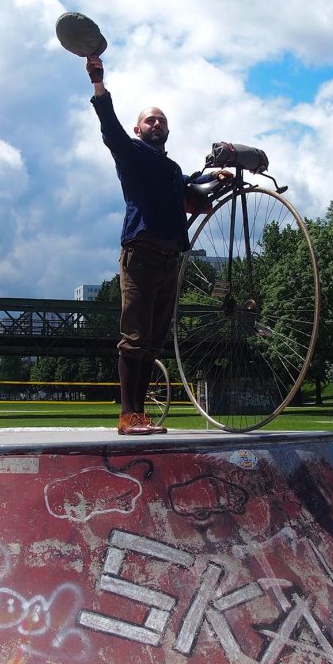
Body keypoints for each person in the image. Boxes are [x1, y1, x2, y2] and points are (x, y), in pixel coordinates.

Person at [85, 53, 221, 435]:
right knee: (134, 337)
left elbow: (191, 193)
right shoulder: (132, 154)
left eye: (162, 120)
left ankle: (140, 415)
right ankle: (128, 415)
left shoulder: (173, 170)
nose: (157, 123)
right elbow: (110, 130)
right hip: (141, 255)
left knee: (153, 342)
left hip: (169, 260)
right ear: (139, 129)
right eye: (150, 120)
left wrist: (218, 177)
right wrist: (99, 84)